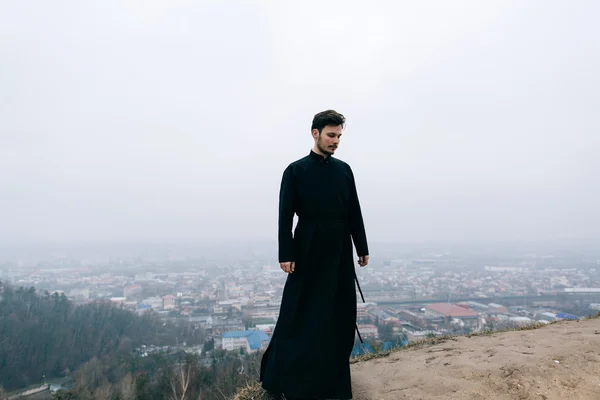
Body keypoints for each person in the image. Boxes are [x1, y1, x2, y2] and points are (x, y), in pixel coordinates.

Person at [260, 110, 369, 400]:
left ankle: (330, 381)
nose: (335, 141)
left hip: (339, 250)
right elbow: (285, 216)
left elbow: (353, 210)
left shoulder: (344, 170)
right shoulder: (295, 170)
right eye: (331, 135)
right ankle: (284, 378)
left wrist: (362, 246)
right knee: (299, 312)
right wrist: (286, 253)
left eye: (339, 136)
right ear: (315, 133)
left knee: (338, 313)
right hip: (307, 246)